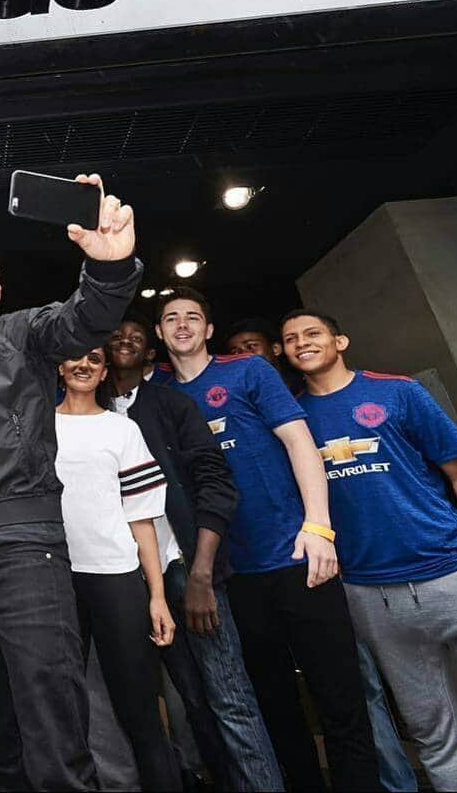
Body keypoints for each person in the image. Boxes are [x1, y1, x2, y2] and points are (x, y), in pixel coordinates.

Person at [0, 173, 140, 790]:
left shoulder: (23, 334)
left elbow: (84, 320)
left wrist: (109, 267)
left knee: (52, 724)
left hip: (24, 552)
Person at [284, 308, 457, 791]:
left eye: (313, 334)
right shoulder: (290, 418)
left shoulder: (397, 392)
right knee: (434, 736)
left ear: (341, 340)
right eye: (291, 339)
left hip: (455, 575)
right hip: (374, 598)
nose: (302, 343)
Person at [156, 288, 379, 792]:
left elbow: (300, 441)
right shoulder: (162, 397)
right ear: (160, 333)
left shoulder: (247, 371)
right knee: (277, 707)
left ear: (209, 330)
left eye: (194, 317)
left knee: (340, 699)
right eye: (172, 318)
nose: (184, 325)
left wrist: (318, 525)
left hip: (297, 555)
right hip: (235, 576)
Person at [107, 316, 283, 792]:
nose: (125, 340)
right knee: (189, 703)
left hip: (187, 568)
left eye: (137, 337)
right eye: (116, 335)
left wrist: (204, 573)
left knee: (229, 698)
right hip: (128, 579)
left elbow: (215, 484)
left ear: (151, 354)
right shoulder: (85, 414)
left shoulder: (171, 404)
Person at [55, 346, 182, 791]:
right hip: (54, 580)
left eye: (94, 359)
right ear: (59, 366)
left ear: (105, 370)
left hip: (116, 576)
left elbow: (142, 516)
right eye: (74, 356)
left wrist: (158, 595)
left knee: (139, 709)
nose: (84, 365)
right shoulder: (37, 426)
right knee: (62, 714)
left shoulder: (122, 429)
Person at [224, 317, 303, 395]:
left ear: (276, 349)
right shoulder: (239, 398)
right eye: (235, 352)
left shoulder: (303, 386)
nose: (243, 355)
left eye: (251, 346)